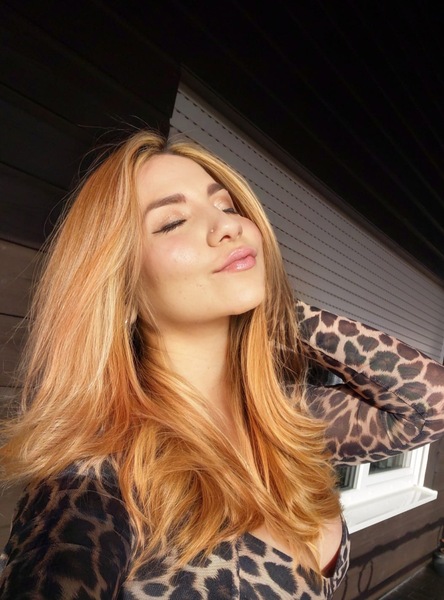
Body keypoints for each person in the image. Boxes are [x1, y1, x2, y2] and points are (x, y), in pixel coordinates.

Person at [0, 130, 443, 600]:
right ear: (121, 291)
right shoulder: (97, 477)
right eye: (172, 222)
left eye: (227, 206)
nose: (227, 226)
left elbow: (429, 405)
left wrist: (277, 307)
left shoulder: (284, 416)